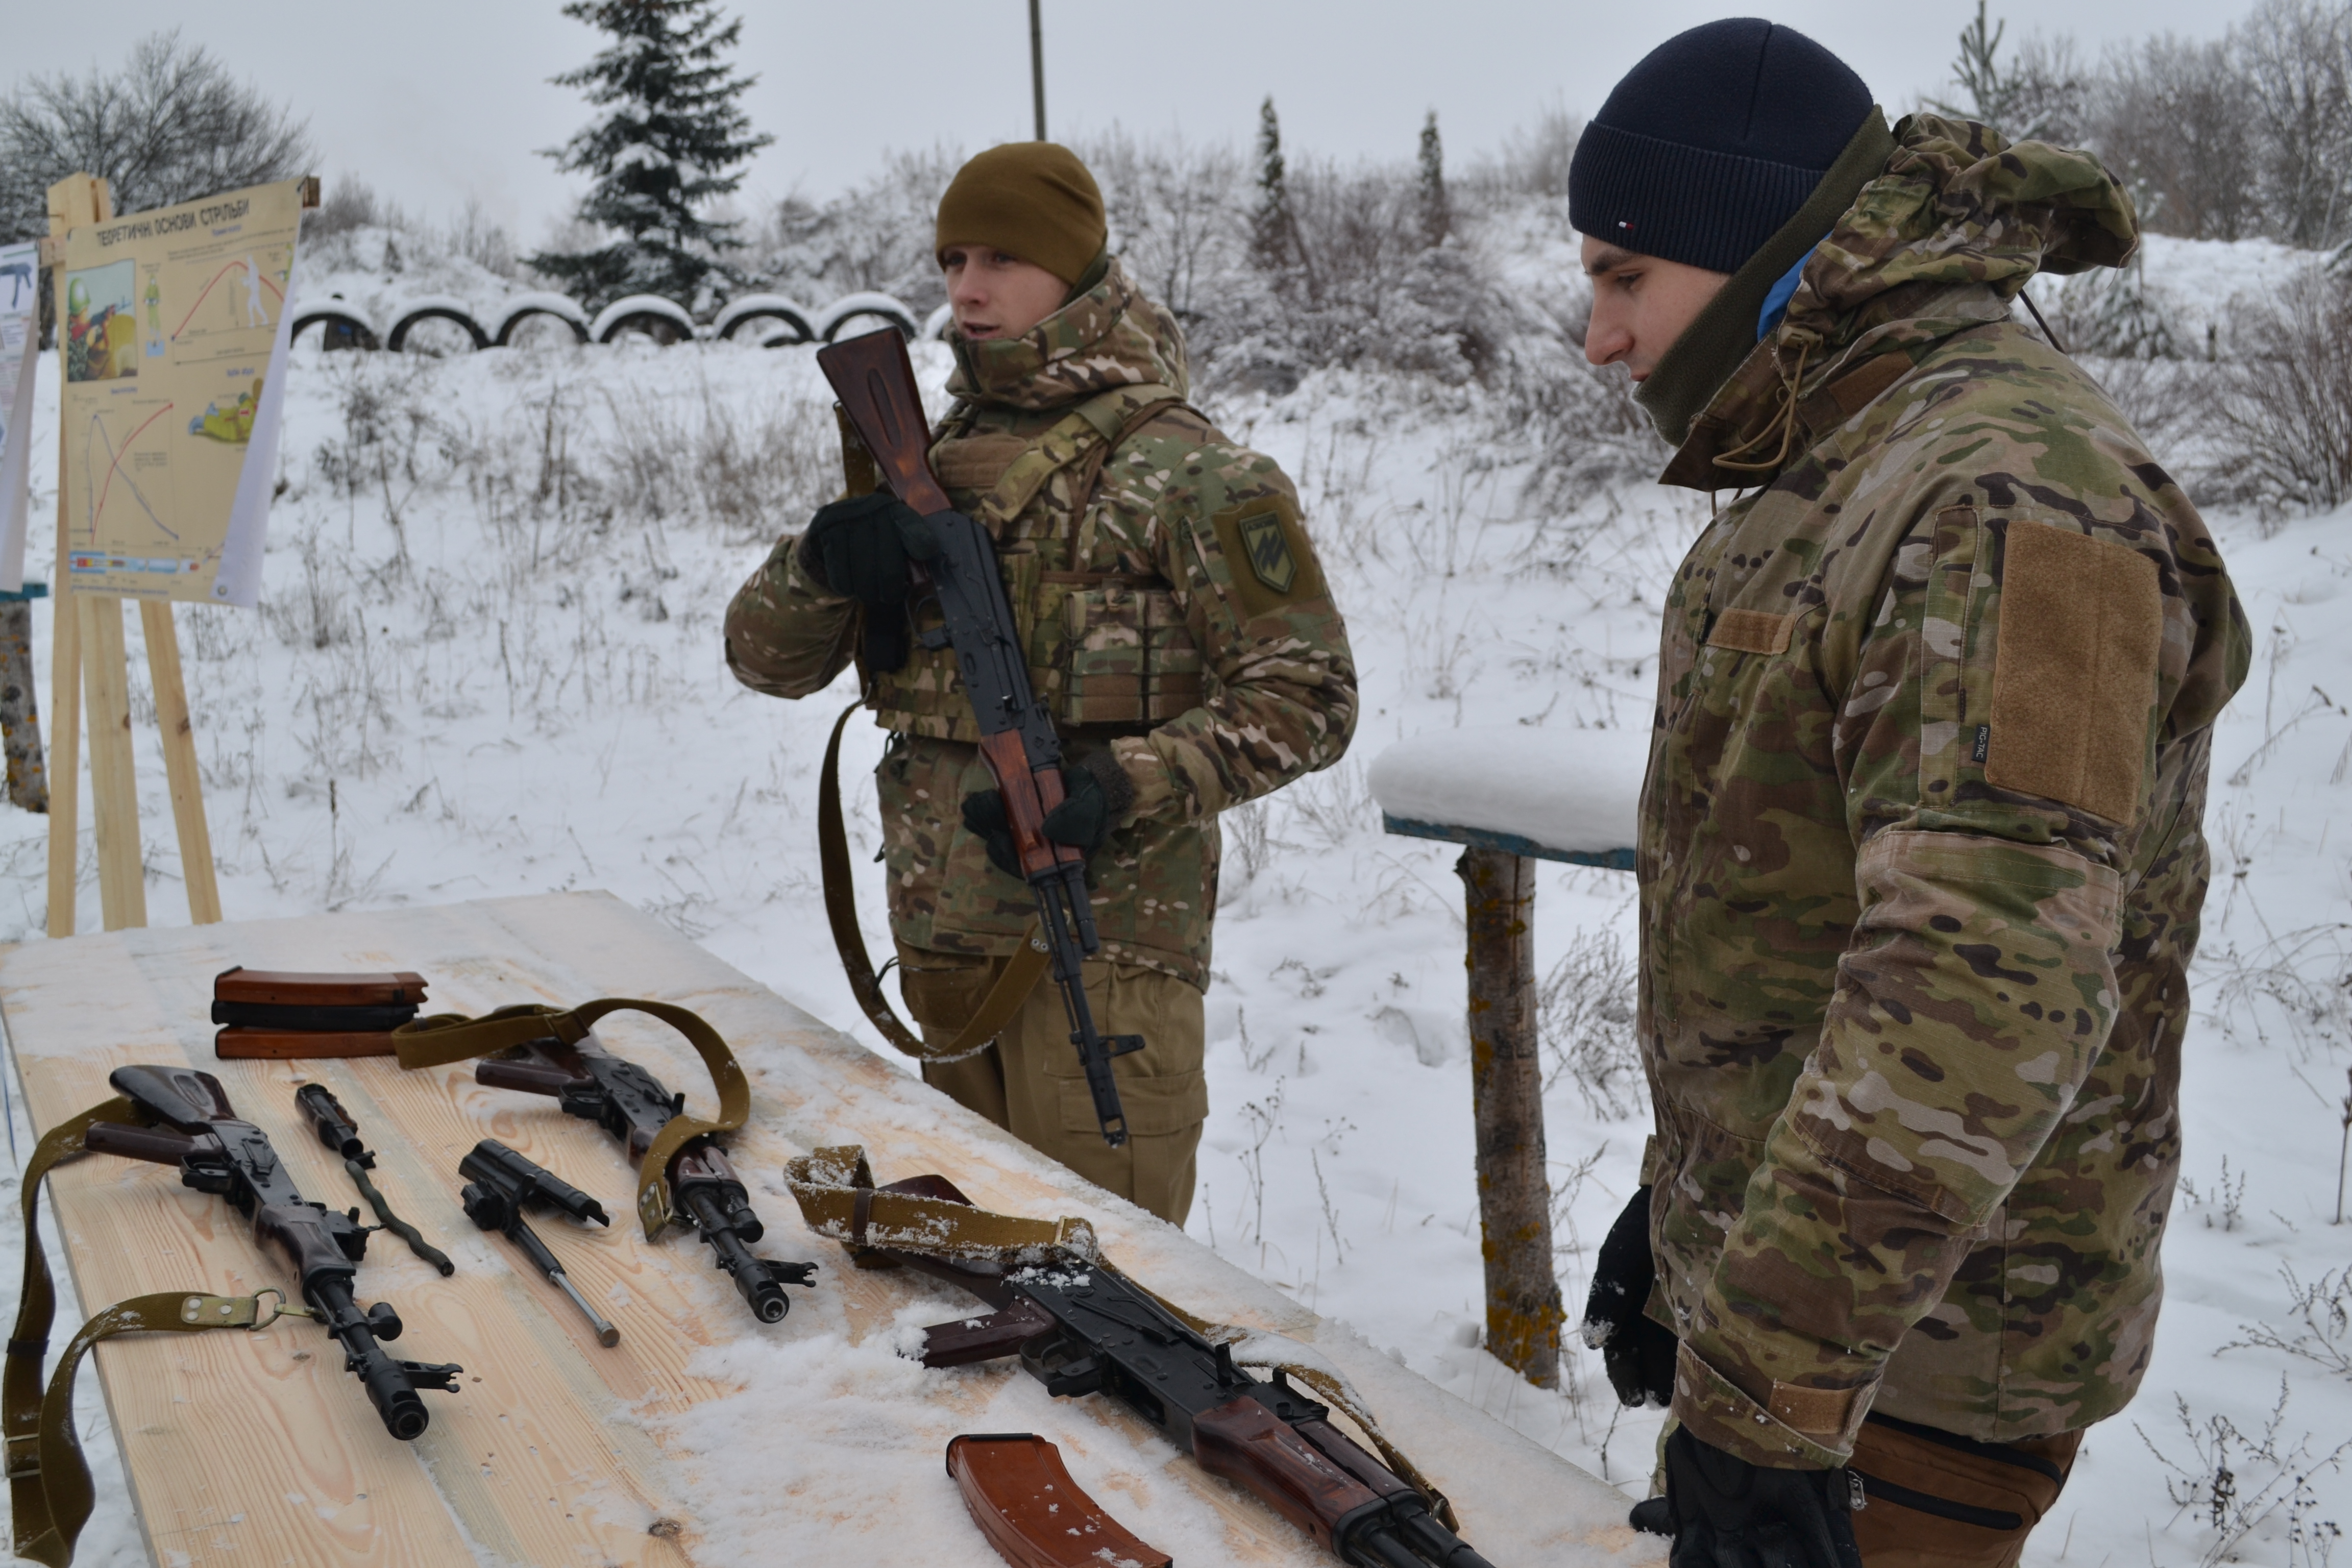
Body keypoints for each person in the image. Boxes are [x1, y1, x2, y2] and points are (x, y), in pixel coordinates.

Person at [1565, 19, 2249, 1568]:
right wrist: (1698, 1221)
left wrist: (1770, 1378)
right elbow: (1813, 916)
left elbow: (1974, 1003)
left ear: (1761, 252)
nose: (1599, 335)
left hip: (1925, 1359)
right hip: (1839, 1317)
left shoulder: (2004, 494)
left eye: (1624, 277)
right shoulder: (1852, 452)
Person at [724, 143, 1357, 1227]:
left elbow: (1310, 694)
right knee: (971, 1279)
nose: (967, 287)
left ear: (1079, 271)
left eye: (1005, 257)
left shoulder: (1187, 470)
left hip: (1103, 957)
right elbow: (764, 662)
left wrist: (1125, 784)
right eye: (954, 257)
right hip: (942, 954)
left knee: (1110, 1289)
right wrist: (822, 566)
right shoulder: (923, 454)